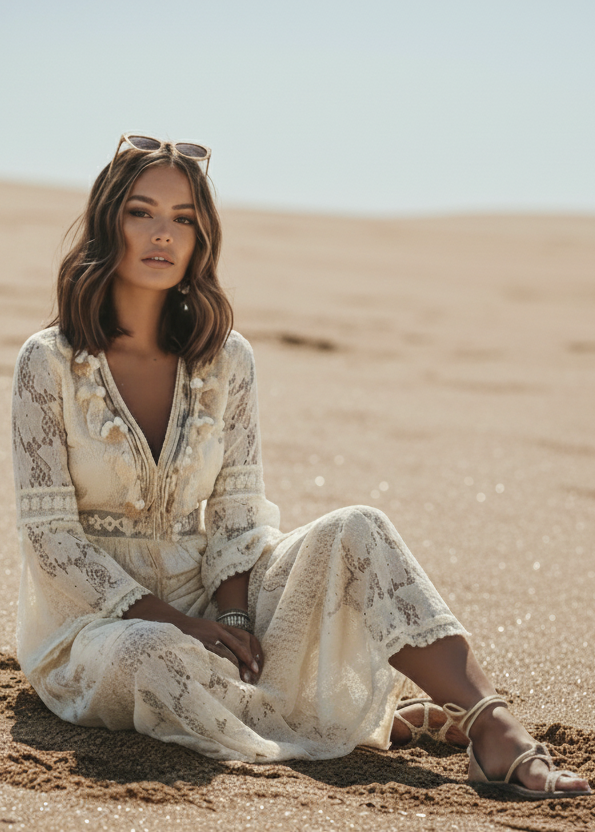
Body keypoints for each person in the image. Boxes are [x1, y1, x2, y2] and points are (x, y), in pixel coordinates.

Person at [11, 134, 590, 799]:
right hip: (94, 629)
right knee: (153, 657)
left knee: (358, 528)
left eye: (183, 218)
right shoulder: (48, 362)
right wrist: (182, 625)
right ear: (107, 221)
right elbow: (51, 539)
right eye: (141, 212)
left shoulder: (225, 359)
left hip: (208, 600)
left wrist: (231, 621)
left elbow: (235, 513)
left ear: (202, 239)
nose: (162, 233)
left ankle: (492, 725)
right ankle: (348, 723)